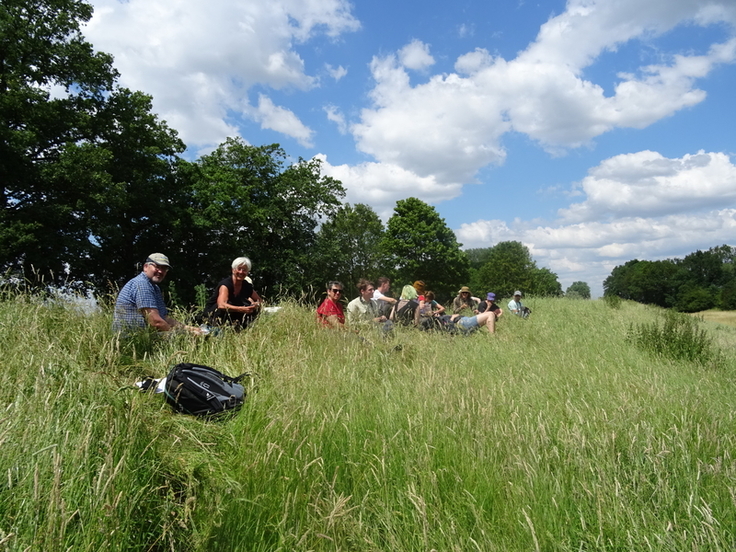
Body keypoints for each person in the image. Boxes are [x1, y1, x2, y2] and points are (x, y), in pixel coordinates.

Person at [113, 253, 202, 336]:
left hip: (142, 337)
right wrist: (182, 336)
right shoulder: (141, 284)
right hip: (132, 340)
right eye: (157, 266)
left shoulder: (154, 287)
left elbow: (164, 318)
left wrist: (190, 329)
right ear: (145, 267)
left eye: (164, 269)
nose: (160, 271)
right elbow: (156, 322)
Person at [199, 257, 262, 329]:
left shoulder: (247, 286)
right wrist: (241, 309)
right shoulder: (225, 285)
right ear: (233, 270)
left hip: (234, 317)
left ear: (248, 272)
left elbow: (260, 301)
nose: (241, 272)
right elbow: (221, 305)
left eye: (244, 270)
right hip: (215, 316)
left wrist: (255, 305)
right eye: (239, 269)